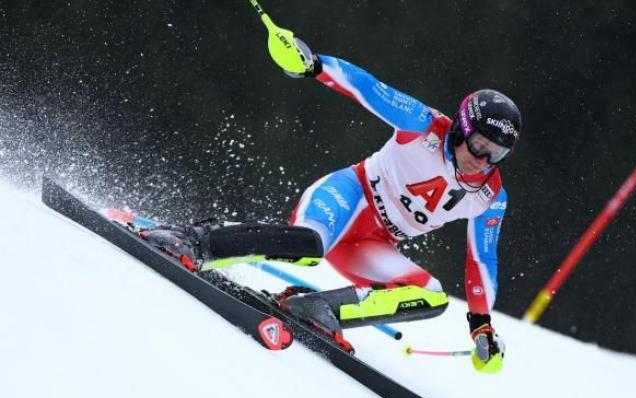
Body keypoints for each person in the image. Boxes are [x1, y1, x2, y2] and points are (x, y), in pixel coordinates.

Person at [145, 38, 520, 374]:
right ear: (461, 130)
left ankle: (316, 309)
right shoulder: (423, 125)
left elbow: (482, 261)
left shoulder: (490, 197)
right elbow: (368, 88)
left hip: (373, 243)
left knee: (432, 295)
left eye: (496, 154)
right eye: (478, 146)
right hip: (349, 198)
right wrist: (314, 66)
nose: (482, 161)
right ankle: (194, 240)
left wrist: (481, 325)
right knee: (310, 245)